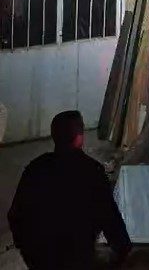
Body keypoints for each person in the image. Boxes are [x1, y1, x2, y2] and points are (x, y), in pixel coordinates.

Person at [8, 110, 131, 269]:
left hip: (41, 259)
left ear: (54, 135)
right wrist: (123, 251)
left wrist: (27, 250)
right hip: (78, 259)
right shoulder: (92, 171)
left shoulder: (36, 168)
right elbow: (110, 219)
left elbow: (15, 215)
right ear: (79, 137)